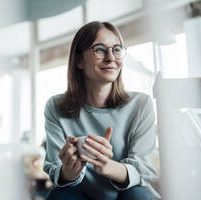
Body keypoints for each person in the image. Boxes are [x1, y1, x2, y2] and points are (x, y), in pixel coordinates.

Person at [43, 21, 159, 200]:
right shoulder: (55, 106)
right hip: (80, 194)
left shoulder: (141, 104)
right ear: (79, 60)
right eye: (100, 49)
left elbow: (144, 170)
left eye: (117, 49)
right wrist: (69, 170)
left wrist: (106, 166)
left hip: (128, 194)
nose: (111, 58)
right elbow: (56, 171)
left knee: (138, 194)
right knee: (59, 195)